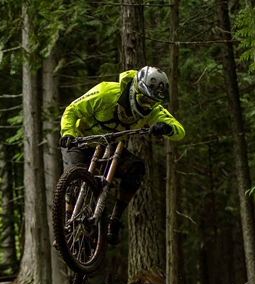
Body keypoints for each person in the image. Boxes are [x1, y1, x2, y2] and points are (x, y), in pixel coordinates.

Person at [59, 66, 185, 245]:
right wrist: (68, 134)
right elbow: (72, 110)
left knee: (136, 168)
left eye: (151, 102)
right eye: (142, 98)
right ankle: (66, 221)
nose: (145, 105)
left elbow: (179, 131)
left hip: (111, 148)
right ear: (134, 89)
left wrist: (167, 128)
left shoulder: (153, 110)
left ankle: (114, 221)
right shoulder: (105, 93)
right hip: (81, 141)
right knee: (73, 177)